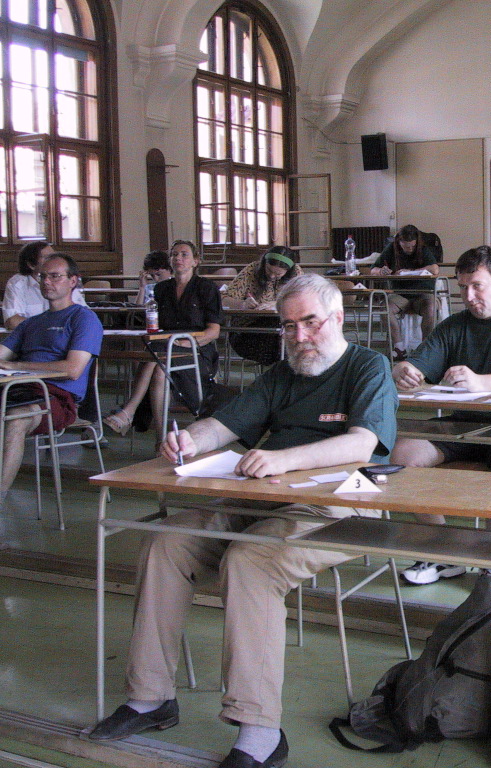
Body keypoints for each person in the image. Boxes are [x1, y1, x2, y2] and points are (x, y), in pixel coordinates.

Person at [87, 274, 398, 768]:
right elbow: (224, 425)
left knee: (250, 561)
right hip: (264, 493)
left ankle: (260, 731)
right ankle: (150, 697)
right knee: (164, 543)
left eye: (310, 323)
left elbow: (362, 444)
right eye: (288, 326)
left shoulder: (368, 367)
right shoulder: (280, 375)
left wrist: (282, 459)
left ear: (338, 318)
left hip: (340, 503)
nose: (299, 336)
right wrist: (191, 439)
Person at [390, 245, 491, 585]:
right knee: (401, 454)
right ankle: (442, 550)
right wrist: (403, 370)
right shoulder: (453, 326)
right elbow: (416, 364)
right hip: (463, 424)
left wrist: (483, 381)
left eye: (477, 286)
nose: (468, 295)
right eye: (462, 287)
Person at [0, 253, 102, 502]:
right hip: (17, 389)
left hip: (56, 397)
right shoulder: (30, 324)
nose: (46, 282)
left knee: (16, 418)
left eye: (55, 276)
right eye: (43, 276)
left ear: (73, 281)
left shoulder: (84, 318)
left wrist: (19, 366)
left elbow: (72, 369)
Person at [103, 240, 221, 439]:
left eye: (184, 254)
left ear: (195, 261)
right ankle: (160, 436)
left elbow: (213, 332)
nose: (178, 258)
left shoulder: (206, 287)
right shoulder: (162, 289)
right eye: (174, 254)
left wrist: (186, 343)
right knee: (158, 367)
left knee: (157, 359)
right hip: (166, 346)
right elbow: (155, 323)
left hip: (196, 349)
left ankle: (130, 411)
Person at [221, 246, 303, 366]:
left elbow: (303, 299)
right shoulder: (252, 270)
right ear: (264, 263)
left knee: (287, 332)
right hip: (248, 332)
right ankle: (281, 369)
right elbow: (224, 299)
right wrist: (243, 304)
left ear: (287, 271)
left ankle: (282, 369)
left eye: (278, 274)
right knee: (280, 337)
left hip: (284, 330)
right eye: (269, 270)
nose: (272, 276)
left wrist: (278, 304)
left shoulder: (295, 273)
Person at [370, 224, 440, 357]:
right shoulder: (392, 248)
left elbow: (435, 269)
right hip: (400, 293)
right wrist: (381, 271)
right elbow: (373, 269)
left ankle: (426, 348)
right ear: (399, 242)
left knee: (431, 307)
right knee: (384, 308)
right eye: (406, 246)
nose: (410, 249)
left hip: (422, 294)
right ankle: (399, 347)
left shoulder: (423, 249)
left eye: (412, 246)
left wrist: (412, 271)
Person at [3, 241, 87, 329]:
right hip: (31, 336)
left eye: (54, 256)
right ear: (31, 265)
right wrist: (50, 326)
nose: (53, 261)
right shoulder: (17, 284)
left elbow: (83, 316)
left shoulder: (64, 281)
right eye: (48, 257)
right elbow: (12, 321)